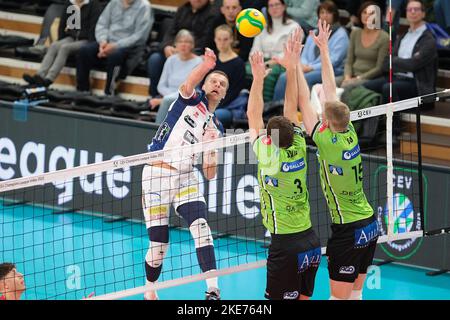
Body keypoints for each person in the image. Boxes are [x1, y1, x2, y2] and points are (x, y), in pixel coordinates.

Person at [297, 19, 379, 300]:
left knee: (338, 298)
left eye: (323, 118)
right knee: (355, 296)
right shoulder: (349, 131)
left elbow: (303, 104)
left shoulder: (326, 142)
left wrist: (295, 62)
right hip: (369, 223)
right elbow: (331, 92)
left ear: (327, 124)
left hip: (349, 228)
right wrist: (323, 49)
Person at [142, 48, 227, 301]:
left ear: (224, 94)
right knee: (159, 246)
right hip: (157, 173)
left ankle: (212, 290)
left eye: (222, 84)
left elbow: (210, 174)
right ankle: (149, 289)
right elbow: (187, 84)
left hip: (186, 177)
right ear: (205, 83)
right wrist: (206, 64)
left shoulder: (218, 126)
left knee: (201, 227)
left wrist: (211, 149)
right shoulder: (191, 99)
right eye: (213, 80)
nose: (217, 85)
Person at [247, 29, 321, 300]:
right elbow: (291, 105)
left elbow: (253, 114)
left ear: (270, 139)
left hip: (286, 244)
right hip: (311, 241)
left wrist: (257, 78)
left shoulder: (269, 158)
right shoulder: (300, 143)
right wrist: (292, 66)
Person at [364, 0, 438, 105]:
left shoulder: (429, 39)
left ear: (423, 13)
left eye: (416, 9)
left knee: (388, 88)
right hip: (396, 78)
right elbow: (385, 63)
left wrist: (395, 61)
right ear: (406, 13)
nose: (412, 12)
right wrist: (403, 62)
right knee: (368, 86)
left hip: (417, 85)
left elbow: (413, 65)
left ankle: (392, 121)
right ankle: (374, 120)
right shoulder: (403, 36)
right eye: (409, 9)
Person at [273, 0, 349, 100]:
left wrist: (311, 68)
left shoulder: (341, 34)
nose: (325, 15)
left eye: (328, 12)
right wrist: (302, 66)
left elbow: (334, 60)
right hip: (309, 68)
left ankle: (301, 109)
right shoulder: (313, 32)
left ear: (334, 15)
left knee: (304, 79)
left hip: (332, 69)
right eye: (322, 12)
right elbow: (304, 55)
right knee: (284, 76)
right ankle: (277, 108)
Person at [76, 0, 153, 95]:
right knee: (84, 51)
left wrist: (116, 45)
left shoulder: (144, 7)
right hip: (107, 42)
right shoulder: (113, 2)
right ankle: (82, 89)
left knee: (115, 55)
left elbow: (140, 36)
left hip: (128, 46)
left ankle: (109, 92)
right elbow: (102, 24)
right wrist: (102, 42)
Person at [22, 0, 102, 88]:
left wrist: (90, 44)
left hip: (86, 40)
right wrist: (61, 39)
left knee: (65, 48)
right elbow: (63, 24)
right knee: (54, 46)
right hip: (71, 37)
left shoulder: (94, 5)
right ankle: (39, 76)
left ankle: (49, 79)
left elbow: (94, 27)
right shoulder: (70, 4)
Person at [147, 0, 218, 97]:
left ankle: (183, 97)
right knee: (155, 59)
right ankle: (155, 96)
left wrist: (186, 48)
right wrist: (167, 46)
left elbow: (206, 40)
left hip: (195, 53)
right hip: (176, 49)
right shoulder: (182, 9)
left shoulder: (212, 14)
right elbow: (170, 32)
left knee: (199, 63)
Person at [247, 0, 299, 102]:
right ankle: (247, 103)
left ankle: (268, 107)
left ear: (284, 6)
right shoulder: (262, 26)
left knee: (268, 74)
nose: (274, 8)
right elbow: (255, 48)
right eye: (271, 6)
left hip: (281, 62)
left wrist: (271, 62)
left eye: (277, 5)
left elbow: (289, 50)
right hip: (261, 60)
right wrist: (256, 60)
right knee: (245, 70)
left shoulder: (293, 26)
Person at [150, 30, 202, 124]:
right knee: (167, 100)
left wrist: (164, 99)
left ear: (193, 45)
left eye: (187, 42)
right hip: (169, 96)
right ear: (175, 44)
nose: (183, 45)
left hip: (188, 97)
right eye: (180, 42)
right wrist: (169, 96)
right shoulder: (170, 60)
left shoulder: (198, 62)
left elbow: (191, 88)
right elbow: (161, 86)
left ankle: (157, 130)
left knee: (167, 101)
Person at [339, 1, 389, 89]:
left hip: (369, 79)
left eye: (371, 13)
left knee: (346, 86)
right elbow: (349, 61)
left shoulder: (384, 37)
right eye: (364, 12)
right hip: (351, 76)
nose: (367, 16)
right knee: (327, 84)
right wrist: (347, 76)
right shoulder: (355, 33)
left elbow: (379, 68)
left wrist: (359, 78)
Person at [213, 24, 247, 128]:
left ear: (231, 39)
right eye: (219, 39)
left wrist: (213, 106)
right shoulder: (212, 59)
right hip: (210, 102)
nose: (222, 43)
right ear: (215, 39)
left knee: (213, 117)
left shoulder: (238, 63)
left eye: (225, 39)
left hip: (228, 106)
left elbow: (234, 92)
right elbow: (204, 84)